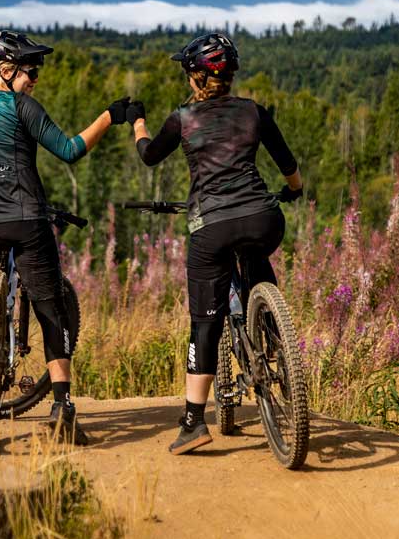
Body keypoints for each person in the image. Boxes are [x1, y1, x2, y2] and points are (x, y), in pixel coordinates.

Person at [127, 33, 303, 454]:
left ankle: (193, 423)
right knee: (256, 257)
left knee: (204, 321)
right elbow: (289, 167)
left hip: (213, 226)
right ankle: (276, 337)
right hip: (264, 218)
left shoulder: (183, 118)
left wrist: (137, 123)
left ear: (194, 77)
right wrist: (294, 191)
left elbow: (149, 155)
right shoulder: (254, 112)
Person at [0, 29, 131, 445]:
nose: (35, 78)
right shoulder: (21, 107)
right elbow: (69, 150)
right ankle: (62, 407)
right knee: (51, 308)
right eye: (30, 71)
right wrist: (109, 116)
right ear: (7, 70)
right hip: (24, 218)